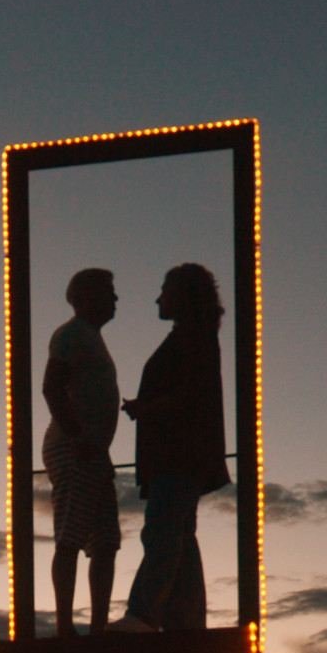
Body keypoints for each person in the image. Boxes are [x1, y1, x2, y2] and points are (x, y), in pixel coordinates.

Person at [118, 262, 229, 632]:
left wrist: (145, 408)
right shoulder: (194, 336)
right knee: (179, 535)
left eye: (164, 290)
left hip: (178, 455)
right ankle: (186, 620)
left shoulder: (191, 338)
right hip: (183, 455)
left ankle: (145, 613)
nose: (157, 299)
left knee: (163, 532)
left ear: (181, 295)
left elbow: (187, 396)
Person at [38, 268, 122, 636]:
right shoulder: (71, 336)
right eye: (109, 292)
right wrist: (79, 438)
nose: (116, 300)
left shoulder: (89, 338)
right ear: (87, 297)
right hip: (75, 449)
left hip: (92, 450)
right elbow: (51, 388)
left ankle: (98, 626)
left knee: (106, 540)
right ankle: (65, 626)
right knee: (70, 535)